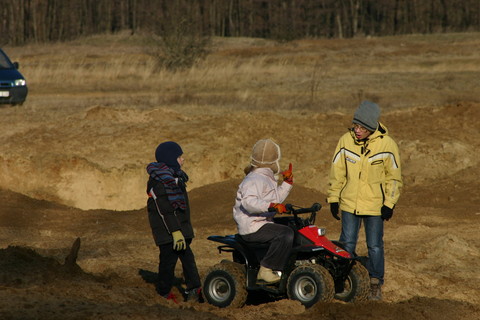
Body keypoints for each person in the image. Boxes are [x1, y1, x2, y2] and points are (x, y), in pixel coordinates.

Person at [327, 101, 402, 300]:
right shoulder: (345, 141)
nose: (357, 131)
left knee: (375, 246)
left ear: (371, 127)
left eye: (362, 128)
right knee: (347, 244)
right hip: (350, 204)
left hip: (375, 206)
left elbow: (393, 178)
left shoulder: (388, 145)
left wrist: (389, 204)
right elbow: (337, 172)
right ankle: (342, 281)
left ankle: (375, 283)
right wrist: (334, 198)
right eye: (355, 126)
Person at [146, 141, 201, 303]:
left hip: (179, 230)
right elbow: (164, 210)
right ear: (170, 159)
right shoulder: (158, 182)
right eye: (179, 157)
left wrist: (183, 231)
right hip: (167, 231)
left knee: (188, 259)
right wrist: (175, 231)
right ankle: (163, 293)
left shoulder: (176, 178)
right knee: (168, 262)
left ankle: (194, 289)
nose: (183, 160)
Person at [233, 138, 295, 284]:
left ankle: (289, 265)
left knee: (294, 224)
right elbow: (249, 203)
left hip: (262, 222)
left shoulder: (266, 178)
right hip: (252, 227)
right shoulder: (254, 179)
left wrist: (287, 184)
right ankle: (266, 269)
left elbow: (275, 200)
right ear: (273, 160)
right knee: (285, 233)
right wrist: (271, 206)